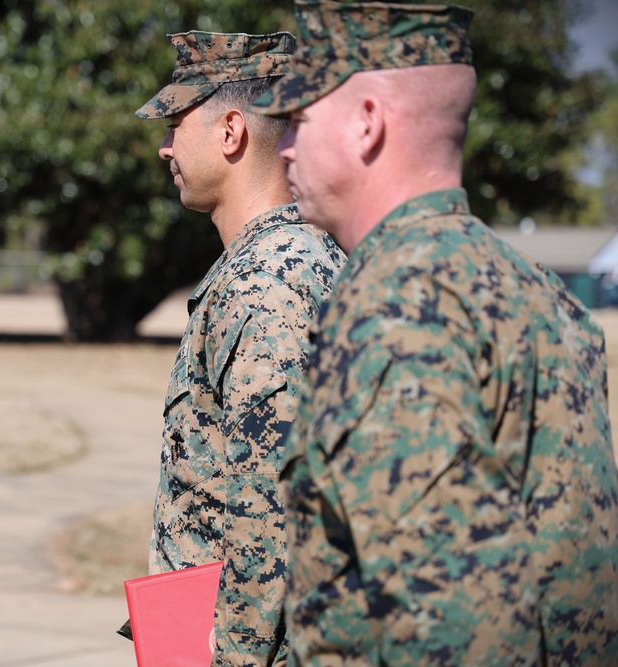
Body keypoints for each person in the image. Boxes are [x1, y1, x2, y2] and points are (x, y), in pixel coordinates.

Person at [249, 1, 618, 664]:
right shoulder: (540, 293)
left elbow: (451, 626)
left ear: (367, 123)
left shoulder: (393, 306)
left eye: (299, 119)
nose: (283, 147)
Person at [131, 30, 346, 666]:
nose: (165, 146)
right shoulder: (296, 258)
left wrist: (234, 657)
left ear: (231, 131)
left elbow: (268, 506)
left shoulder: (267, 281)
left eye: (177, 123)